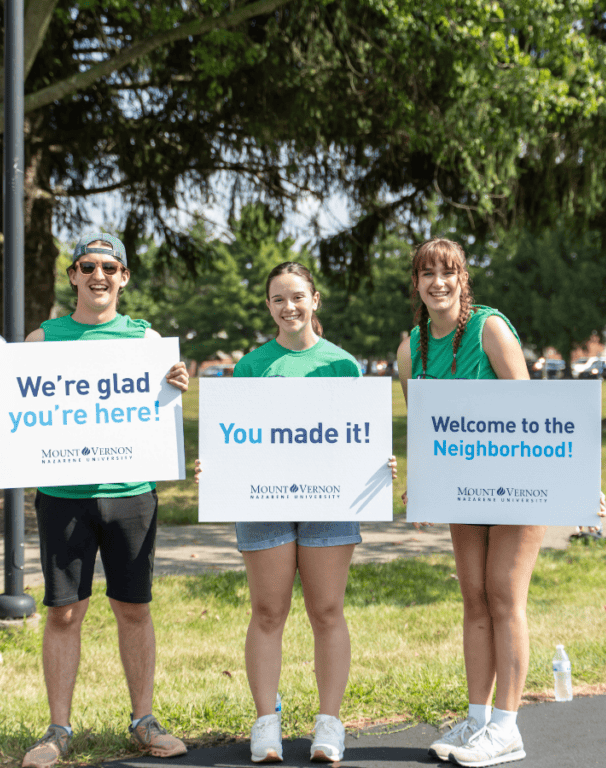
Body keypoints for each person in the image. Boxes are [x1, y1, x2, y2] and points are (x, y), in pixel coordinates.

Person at [0, 233, 190, 768]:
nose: (99, 275)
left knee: (134, 608)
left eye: (110, 267)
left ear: (123, 277)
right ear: (72, 275)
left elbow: (163, 404)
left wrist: (176, 382)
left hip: (131, 495)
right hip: (63, 495)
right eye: (88, 266)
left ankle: (144, 721)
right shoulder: (43, 339)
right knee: (64, 613)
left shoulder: (146, 338)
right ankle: (58, 730)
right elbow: (15, 400)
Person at [195, 261, 396, 764]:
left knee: (327, 611)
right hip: (263, 500)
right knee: (268, 611)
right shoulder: (250, 366)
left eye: (298, 297)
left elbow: (357, 436)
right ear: (268, 306)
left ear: (315, 299)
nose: (289, 307)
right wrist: (214, 466)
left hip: (331, 500)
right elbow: (236, 436)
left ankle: (330, 723)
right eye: (278, 299)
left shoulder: (344, 366)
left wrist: (379, 462)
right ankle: (267, 723)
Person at [396, 238, 541, 767]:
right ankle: (477, 721)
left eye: (448, 272)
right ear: (415, 283)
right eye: (427, 273)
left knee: (504, 596)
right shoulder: (412, 348)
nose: (438, 282)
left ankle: (507, 727)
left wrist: (569, 476)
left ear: (462, 279)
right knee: (474, 600)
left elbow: (532, 413)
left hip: (518, 480)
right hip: (464, 490)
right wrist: (424, 481)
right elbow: (425, 431)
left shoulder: (489, 328)